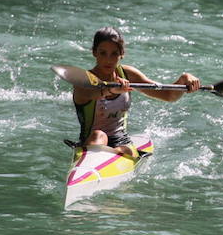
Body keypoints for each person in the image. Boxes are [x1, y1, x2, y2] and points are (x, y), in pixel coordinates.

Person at [71, 26, 201, 156]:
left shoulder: (128, 74)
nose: (108, 59)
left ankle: (116, 155)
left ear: (122, 54)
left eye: (114, 53)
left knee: (124, 150)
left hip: (121, 142)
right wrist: (112, 90)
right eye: (103, 53)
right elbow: (93, 93)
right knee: (98, 135)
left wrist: (184, 80)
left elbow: (168, 95)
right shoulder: (83, 81)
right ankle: (98, 160)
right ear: (94, 52)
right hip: (91, 142)